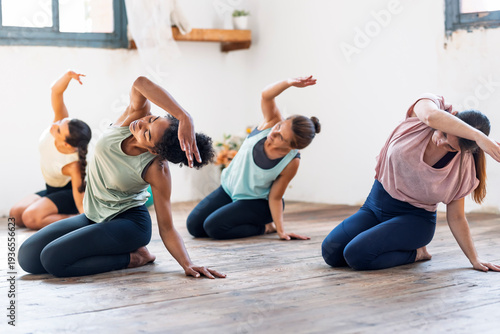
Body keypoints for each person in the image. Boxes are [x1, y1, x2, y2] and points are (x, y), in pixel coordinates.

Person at [18, 76, 225, 279]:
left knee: (53, 260)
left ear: (154, 150)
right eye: (151, 119)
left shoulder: (156, 169)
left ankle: (134, 258)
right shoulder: (133, 117)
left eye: (147, 133)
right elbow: (140, 83)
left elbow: (167, 228)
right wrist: (183, 116)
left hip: (129, 225)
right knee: (27, 257)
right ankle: (110, 249)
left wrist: (187, 264)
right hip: (94, 216)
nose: (141, 124)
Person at [322, 93, 500, 272]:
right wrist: (479, 136)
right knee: (331, 252)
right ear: (451, 119)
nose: (440, 142)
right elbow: (431, 116)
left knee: (357, 255)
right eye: (444, 133)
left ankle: (417, 253)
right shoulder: (428, 113)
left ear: (463, 151)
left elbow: (457, 217)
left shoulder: (463, 168)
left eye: (450, 147)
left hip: (415, 220)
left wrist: (474, 259)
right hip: (375, 206)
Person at [187, 75, 321, 240]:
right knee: (194, 227)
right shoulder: (271, 122)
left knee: (214, 228)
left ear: (291, 146)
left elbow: (276, 196)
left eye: (281, 137)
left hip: (257, 203)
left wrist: (281, 231)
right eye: (279, 127)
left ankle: (264, 227)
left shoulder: (291, 161)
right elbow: (266, 95)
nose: (275, 133)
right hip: (230, 190)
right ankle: (238, 216)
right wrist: (289, 83)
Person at [10, 70, 91, 230]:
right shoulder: (58, 124)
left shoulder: (73, 164)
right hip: (51, 190)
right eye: (61, 122)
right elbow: (56, 91)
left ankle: (74, 220)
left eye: (59, 130)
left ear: (67, 145)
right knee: (15, 216)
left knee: (30, 218)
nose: (54, 126)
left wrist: (85, 218)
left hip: (68, 196)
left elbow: (80, 200)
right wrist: (68, 76)